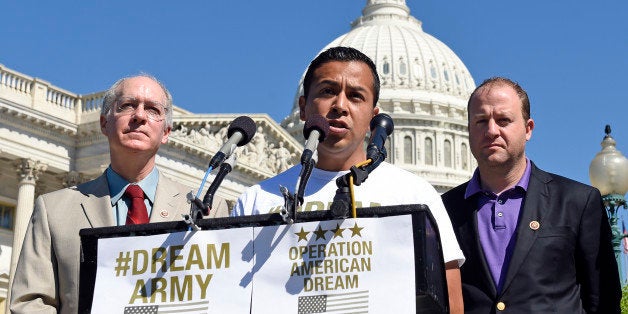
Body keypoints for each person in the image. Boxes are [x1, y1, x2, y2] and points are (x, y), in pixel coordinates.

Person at [232, 46, 465, 313]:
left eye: (355, 96)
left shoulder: (415, 195)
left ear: (372, 118)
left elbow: (451, 303)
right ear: (303, 109)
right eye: (327, 91)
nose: (340, 106)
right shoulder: (257, 200)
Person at [10, 74, 229, 313]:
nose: (140, 116)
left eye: (153, 109)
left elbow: (221, 300)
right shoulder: (53, 210)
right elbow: (29, 304)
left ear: (166, 132)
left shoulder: (208, 209)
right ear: (104, 123)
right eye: (127, 105)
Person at [441, 77, 621, 313]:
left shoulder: (577, 202)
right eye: (481, 121)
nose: (491, 130)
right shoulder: (442, 210)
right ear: (468, 130)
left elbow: (602, 300)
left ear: (528, 129)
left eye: (503, 120)